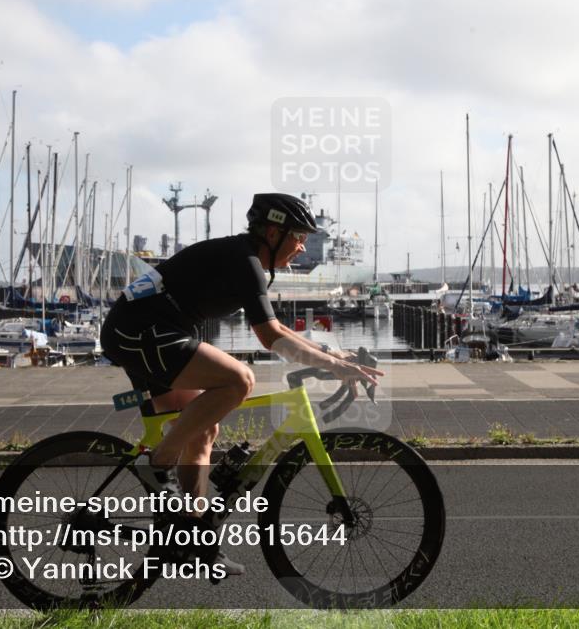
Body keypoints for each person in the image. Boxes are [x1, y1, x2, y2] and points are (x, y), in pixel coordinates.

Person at [100, 192, 383, 573]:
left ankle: (193, 539)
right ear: (273, 233)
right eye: (298, 237)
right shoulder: (245, 261)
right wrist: (333, 367)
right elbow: (270, 339)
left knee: (202, 431)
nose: (301, 247)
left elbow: (276, 328)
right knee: (239, 380)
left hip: (149, 331)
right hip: (139, 332)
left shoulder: (246, 259)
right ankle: (159, 462)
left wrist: (333, 356)